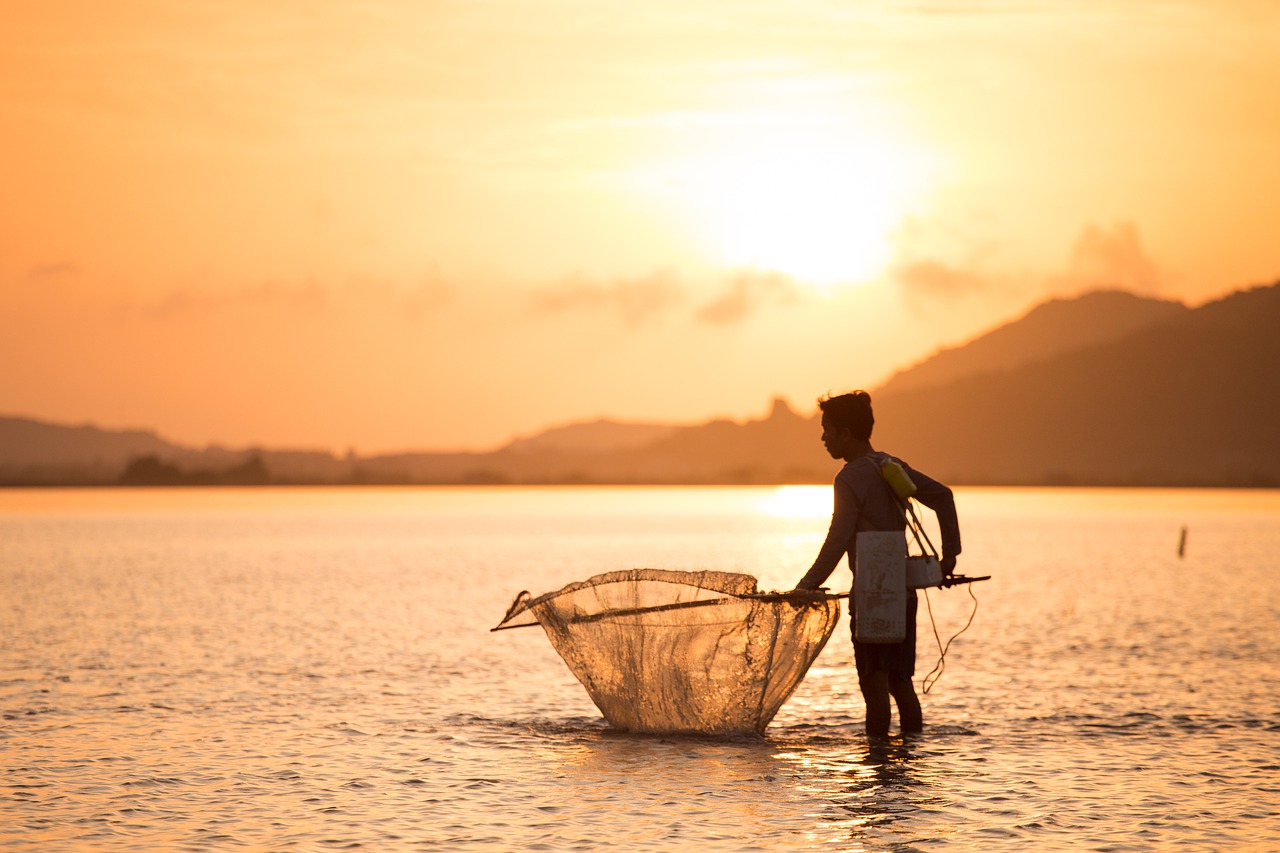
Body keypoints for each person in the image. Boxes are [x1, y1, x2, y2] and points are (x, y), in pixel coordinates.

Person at [795, 391, 960, 737]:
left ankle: (880, 769)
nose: (822, 438)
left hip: (871, 597)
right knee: (901, 684)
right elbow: (943, 497)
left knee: (874, 689)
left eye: (827, 430)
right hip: (903, 593)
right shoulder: (891, 465)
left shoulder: (849, 478)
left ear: (846, 433)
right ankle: (911, 761)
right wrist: (948, 557)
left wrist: (806, 586)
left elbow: (838, 540)